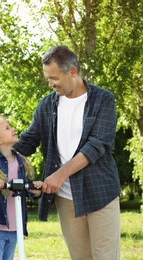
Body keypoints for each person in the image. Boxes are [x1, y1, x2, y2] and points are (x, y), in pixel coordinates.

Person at [13, 45, 121, 260]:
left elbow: (97, 145)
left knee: (105, 256)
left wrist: (59, 175)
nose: (50, 84)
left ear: (72, 71)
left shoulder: (103, 100)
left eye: (54, 78)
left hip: (101, 193)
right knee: (80, 257)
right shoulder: (46, 105)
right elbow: (29, 140)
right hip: (67, 198)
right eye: (48, 78)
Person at [0, 115, 42, 260]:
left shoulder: (20, 160)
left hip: (14, 227)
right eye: (7, 128)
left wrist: (35, 191)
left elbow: (25, 189)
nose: (13, 129)